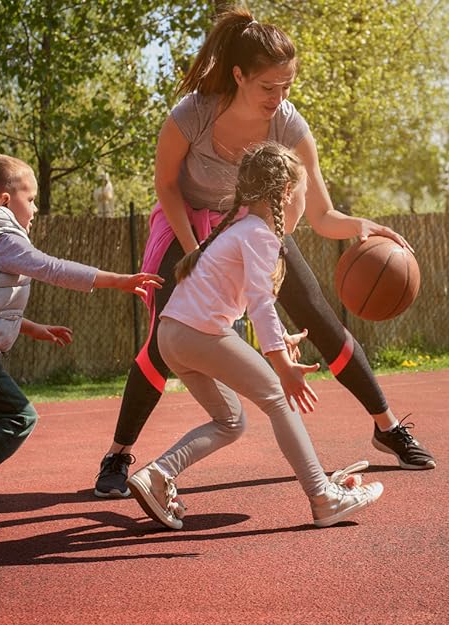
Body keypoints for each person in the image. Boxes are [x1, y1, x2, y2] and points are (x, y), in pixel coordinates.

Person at [94, 5, 435, 499]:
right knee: (166, 334)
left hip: (258, 224)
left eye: (287, 87)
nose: (279, 98)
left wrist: (362, 226)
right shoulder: (193, 112)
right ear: (238, 76)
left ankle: (387, 426)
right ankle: (120, 454)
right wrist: (196, 254)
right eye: (268, 88)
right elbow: (166, 187)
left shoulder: (289, 126)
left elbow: (320, 215)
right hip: (187, 225)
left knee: (321, 318)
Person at [126, 142, 383, 529]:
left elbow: (248, 301)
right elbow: (261, 304)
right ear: (284, 194)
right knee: (279, 398)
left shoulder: (239, 229)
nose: (303, 203)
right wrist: (280, 363)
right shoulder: (261, 235)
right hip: (198, 333)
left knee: (230, 421)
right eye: (302, 194)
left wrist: (280, 336)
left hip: (172, 335)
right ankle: (323, 497)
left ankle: (158, 475)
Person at [0, 154, 163, 531]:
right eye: (32, 198)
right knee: (20, 417)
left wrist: (32, 327)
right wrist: (118, 280)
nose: (36, 207)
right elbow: (51, 268)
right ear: (6, 201)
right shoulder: (1, 234)